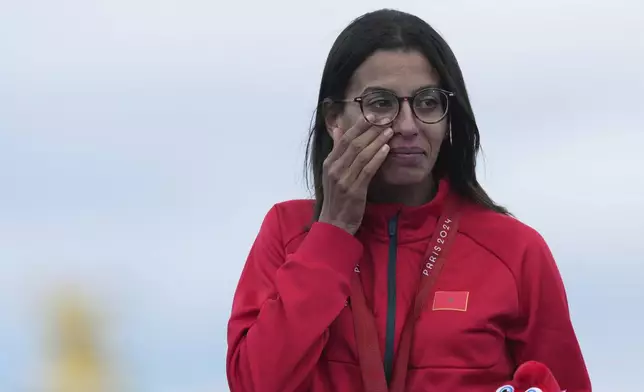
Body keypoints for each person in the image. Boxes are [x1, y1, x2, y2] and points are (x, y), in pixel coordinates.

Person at [226, 8, 591, 392]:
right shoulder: (288, 233)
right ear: (335, 119)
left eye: (428, 102)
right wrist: (331, 232)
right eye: (381, 103)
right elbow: (254, 383)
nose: (407, 126)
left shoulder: (515, 251)